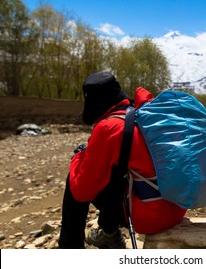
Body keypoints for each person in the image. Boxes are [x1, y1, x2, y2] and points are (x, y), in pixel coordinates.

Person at [58, 71, 187, 249]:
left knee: (76, 179)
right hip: (178, 205)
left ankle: (70, 249)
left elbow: (82, 191)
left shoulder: (109, 128)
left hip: (153, 217)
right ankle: (108, 234)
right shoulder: (144, 113)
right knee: (115, 171)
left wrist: (80, 157)